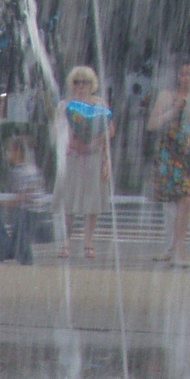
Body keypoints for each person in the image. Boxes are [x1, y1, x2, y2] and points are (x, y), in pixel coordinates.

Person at [147, 59, 190, 267]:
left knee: (189, 201)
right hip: (171, 155)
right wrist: (173, 111)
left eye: (189, 74)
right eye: (182, 74)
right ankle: (176, 250)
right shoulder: (167, 96)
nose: (185, 78)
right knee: (179, 202)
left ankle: (188, 249)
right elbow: (152, 124)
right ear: (177, 76)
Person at [54, 66, 112, 259]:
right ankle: (66, 242)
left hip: (94, 156)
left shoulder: (99, 104)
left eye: (84, 82)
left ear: (92, 84)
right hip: (72, 156)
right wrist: (75, 144)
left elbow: (110, 129)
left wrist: (94, 144)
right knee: (69, 200)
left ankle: (88, 242)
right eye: (76, 82)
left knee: (92, 200)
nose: (80, 86)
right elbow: (58, 131)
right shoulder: (65, 105)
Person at [0, 134, 45, 265]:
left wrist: (5, 203)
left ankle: (26, 261)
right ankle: (20, 257)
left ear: (18, 152)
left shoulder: (26, 171)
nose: (7, 154)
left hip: (30, 211)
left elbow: (25, 195)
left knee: (21, 239)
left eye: (9, 151)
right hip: (27, 210)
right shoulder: (21, 169)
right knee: (19, 237)